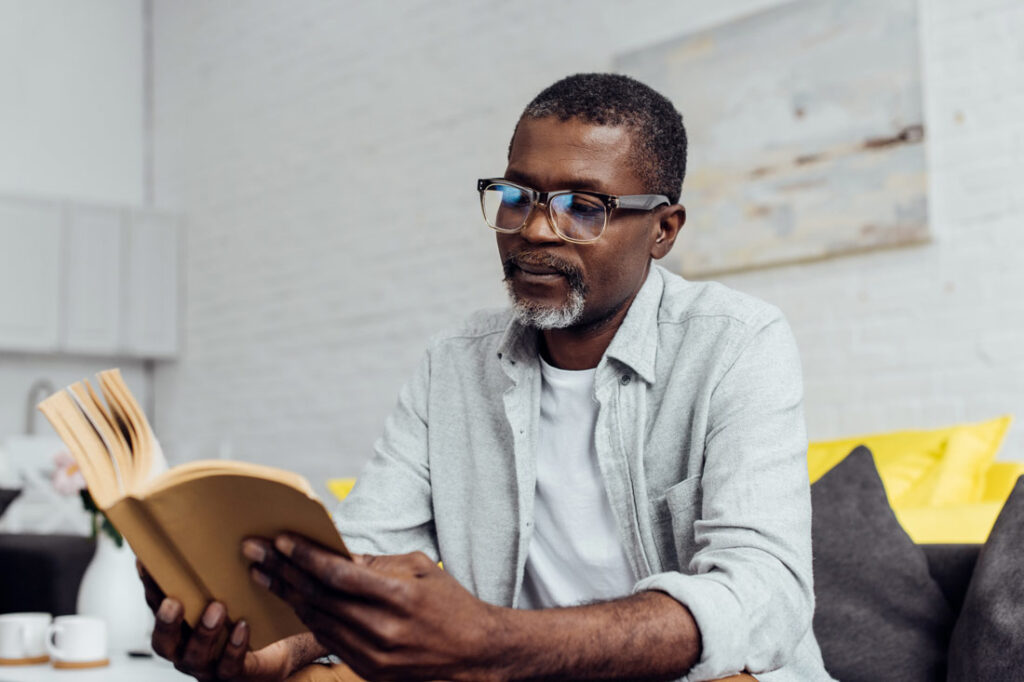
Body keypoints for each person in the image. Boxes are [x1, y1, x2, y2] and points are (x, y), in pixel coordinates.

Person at [138, 73, 833, 681]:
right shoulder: (455, 361)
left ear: (663, 230)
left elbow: (762, 593)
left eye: (583, 207)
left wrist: (492, 642)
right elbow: (369, 553)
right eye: (516, 196)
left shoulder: (738, 342)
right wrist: (276, 647)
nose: (533, 231)